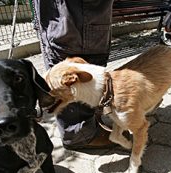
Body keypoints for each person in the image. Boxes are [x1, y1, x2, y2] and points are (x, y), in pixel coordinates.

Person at [33, 0, 115, 149]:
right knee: (75, 47)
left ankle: (85, 122)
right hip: (76, 19)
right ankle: (80, 135)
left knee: (60, 45)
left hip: (58, 18)